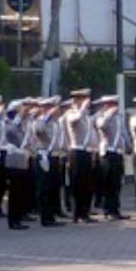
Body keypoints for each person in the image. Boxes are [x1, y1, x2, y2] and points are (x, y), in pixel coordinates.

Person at [32, 96, 67, 227]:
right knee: (44, 187)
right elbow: (39, 130)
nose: (53, 110)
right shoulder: (39, 121)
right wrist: (47, 117)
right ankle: (45, 217)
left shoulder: (55, 123)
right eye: (47, 107)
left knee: (53, 187)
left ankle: (51, 215)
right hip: (43, 156)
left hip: (54, 156)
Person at [64, 89, 96, 223]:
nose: (87, 102)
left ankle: (85, 212)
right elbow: (74, 120)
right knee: (77, 184)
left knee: (87, 184)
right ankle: (77, 213)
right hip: (76, 151)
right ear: (77, 100)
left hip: (87, 151)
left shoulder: (86, 116)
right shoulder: (71, 113)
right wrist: (82, 108)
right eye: (83, 99)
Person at [4, 99, 35, 230]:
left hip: (23, 158)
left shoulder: (22, 124)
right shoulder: (9, 123)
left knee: (22, 189)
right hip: (14, 158)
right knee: (15, 190)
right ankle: (13, 220)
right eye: (20, 109)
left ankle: (19, 216)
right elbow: (10, 132)